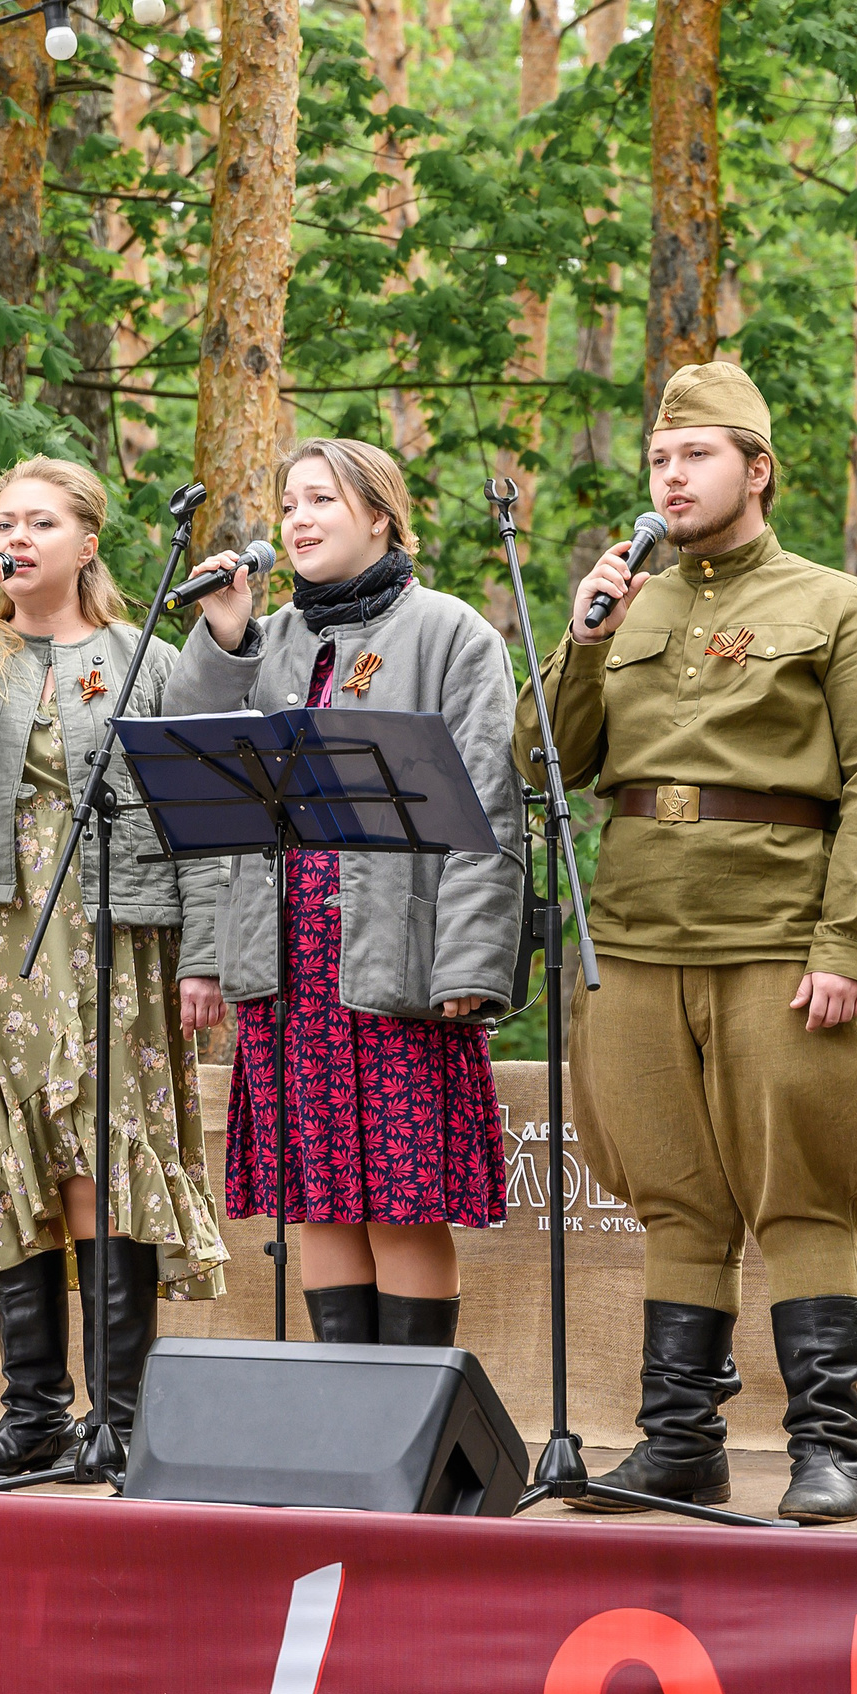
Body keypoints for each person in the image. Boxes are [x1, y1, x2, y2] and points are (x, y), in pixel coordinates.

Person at [515, 362, 857, 1524]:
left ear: (756, 468)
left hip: (775, 936)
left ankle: (827, 1445)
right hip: (637, 938)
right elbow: (538, 763)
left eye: (695, 456)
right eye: (658, 459)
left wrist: (846, 947)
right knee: (675, 1204)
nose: (671, 476)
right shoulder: (625, 609)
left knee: (802, 1194)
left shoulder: (836, 607)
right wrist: (585, 640)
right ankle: (680, 1444)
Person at [0, 458, 230, 1479]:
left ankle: (115, 1421)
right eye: (3, 521)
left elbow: (201, 818)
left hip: (113, 931)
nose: (18, 536)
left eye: (42, 521)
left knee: (100, 1155)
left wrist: (203, 952)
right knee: (9, 1153)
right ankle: (30, 1413)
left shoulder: (142, 657)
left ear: (86, 543)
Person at [167, 437, 524, 1347]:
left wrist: (473, 960)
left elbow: (489, 807)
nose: (298, 520)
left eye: (321, 500)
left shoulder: (451, 632)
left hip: (397, 963)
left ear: (379, 515)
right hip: (288, 965)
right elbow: (203, 775)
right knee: (318, 1193)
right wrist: (223, 634)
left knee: (403, 1198)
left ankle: (409, 1425)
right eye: (289, 505)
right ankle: (346, 1421)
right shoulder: (269, 637)